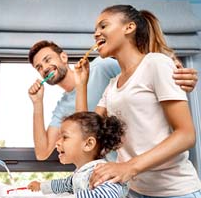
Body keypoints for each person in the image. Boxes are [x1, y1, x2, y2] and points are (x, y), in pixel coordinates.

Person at [74, 4, 201, 198]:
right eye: (95, 29)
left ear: (129, 28)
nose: (96, 33)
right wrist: (81, 84)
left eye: (103, 25)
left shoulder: (156, 63)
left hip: (176, 197)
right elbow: (86, 134)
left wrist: (128, 167)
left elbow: (186, 135)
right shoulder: (112, 85)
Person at [28, 40, 198, 161]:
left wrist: (174, 69)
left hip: (153, 160)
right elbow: (42, 153)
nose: (44, 68)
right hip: (118, 172)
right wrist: (37, 103)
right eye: (39, 68)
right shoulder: (62, 109)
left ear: (63, 57)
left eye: (47, 60)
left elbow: (144, 67)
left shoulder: (102, 66)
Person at [27, 111, 128, 198]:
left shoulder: (101, 172)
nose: (57, 143)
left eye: (64, 137)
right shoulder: (82, 172)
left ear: (88, 144)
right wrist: (41, 186)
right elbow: (65, 184)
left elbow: (107, 197)